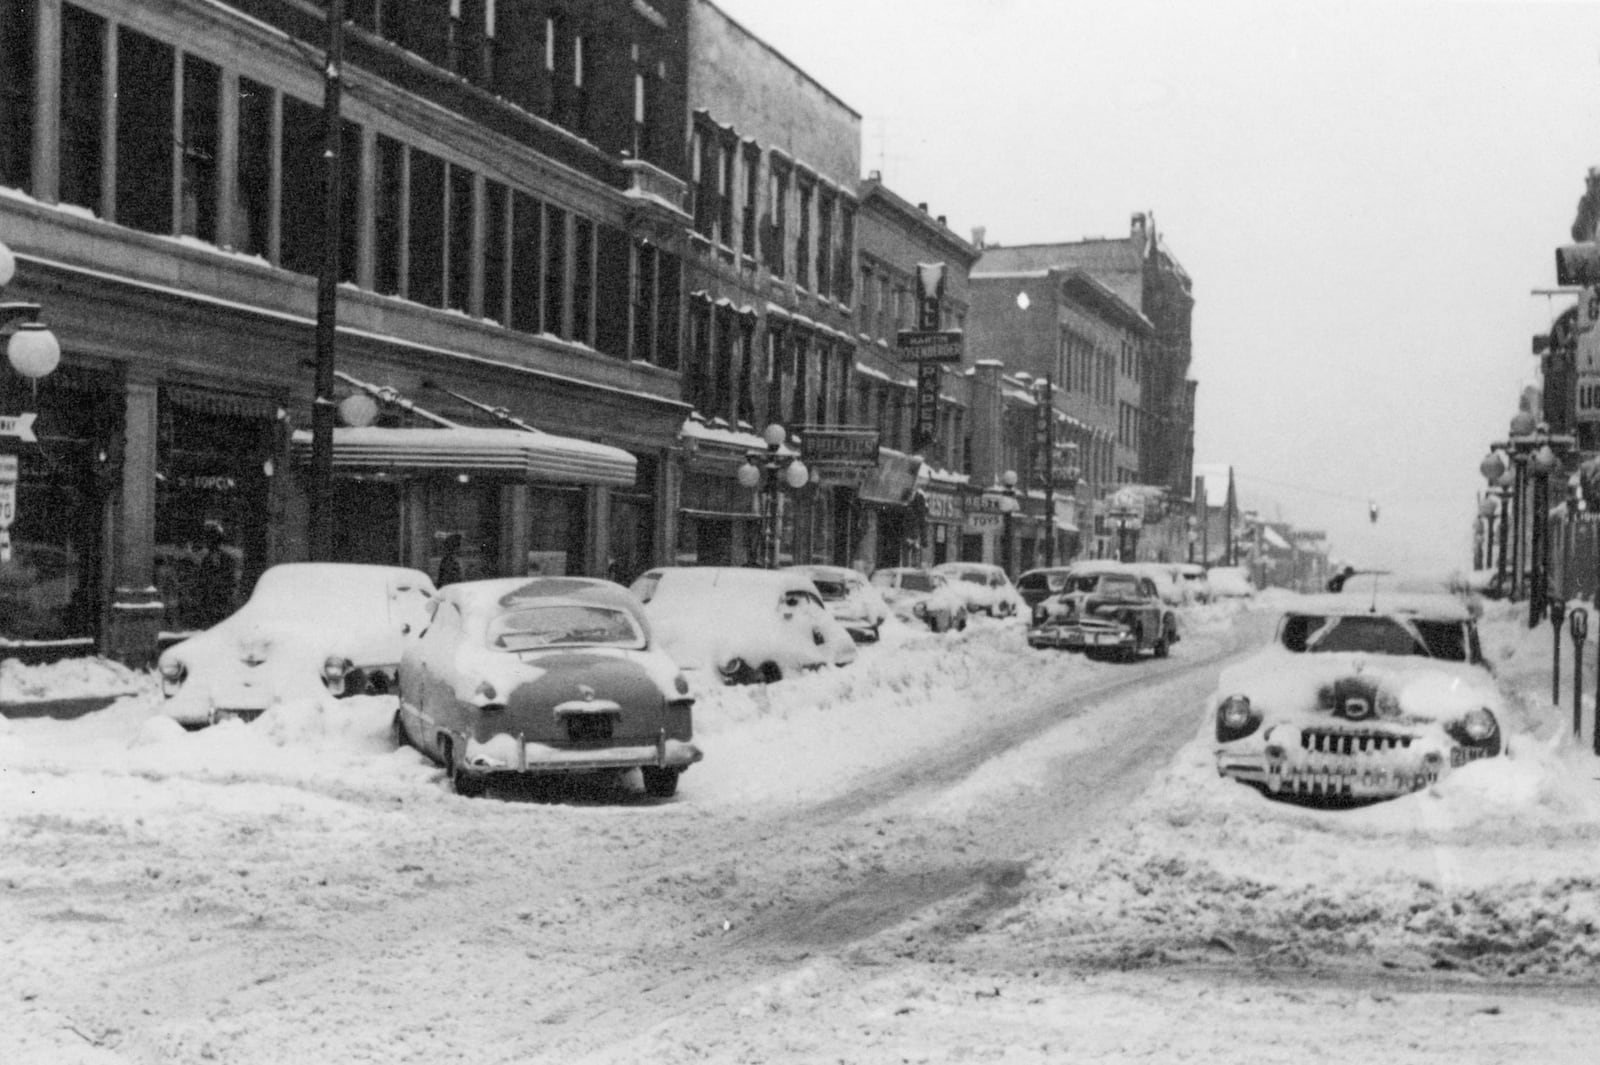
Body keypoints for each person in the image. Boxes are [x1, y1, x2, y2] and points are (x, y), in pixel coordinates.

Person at [194, 522, 239, 628]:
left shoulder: (225, 559)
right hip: (213, 601)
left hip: (220, 600)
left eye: (211, 540)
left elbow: (230, 580)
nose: (208, 543)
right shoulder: (207, 559)